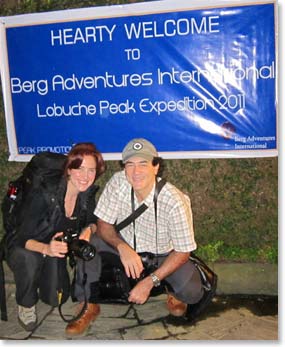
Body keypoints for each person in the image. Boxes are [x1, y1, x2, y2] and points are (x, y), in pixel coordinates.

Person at [90, 138, 214, 325]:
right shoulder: (118, 182)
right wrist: (122, 247)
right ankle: (88, 302)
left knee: (192, 292)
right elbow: (103, 224)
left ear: (156, 167)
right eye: (130, 165)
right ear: (124, 168)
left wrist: (149, 282)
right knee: (90, 244)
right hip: (127, 247)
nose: (136, 171)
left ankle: (171, 291)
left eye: (143, 164)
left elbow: (183, 251)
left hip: (163, 254)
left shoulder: (174, 201)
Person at [4, 143, 106, 334]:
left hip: (54, 248)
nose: (85, 176)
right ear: (69, 169)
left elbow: (93, 220)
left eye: (91, 170)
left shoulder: (86, 194)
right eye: (80, 168)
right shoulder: (44, 193)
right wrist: (45, 249)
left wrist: (89, 230)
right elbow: (19, 236)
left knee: (55, 299)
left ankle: (41, 275)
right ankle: (25, 304)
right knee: (29, 258)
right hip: (24, 244)